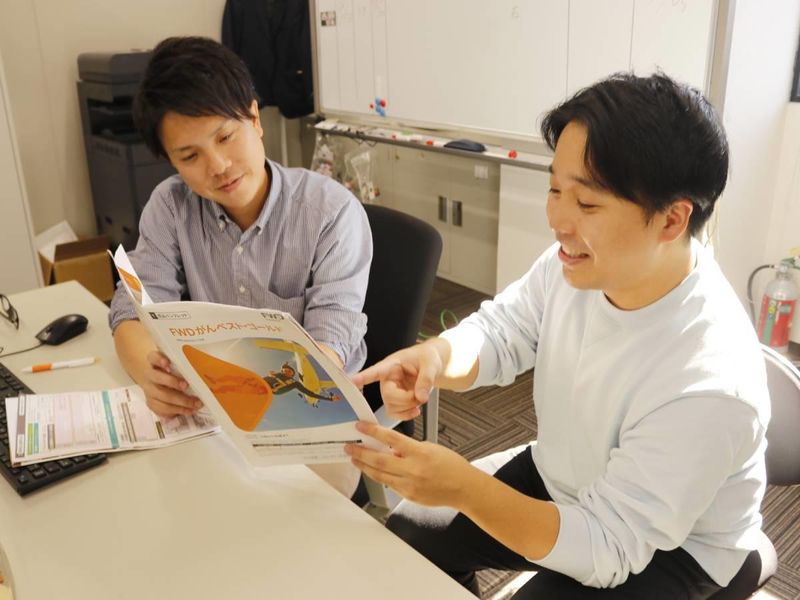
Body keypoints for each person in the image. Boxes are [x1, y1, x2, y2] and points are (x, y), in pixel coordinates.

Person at [346, 73, 770, 598]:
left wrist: (465, 488)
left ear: (671, 220)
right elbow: (505, 329)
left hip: (672, 544)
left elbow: (608, 546)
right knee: (411, 535)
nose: (558, 220)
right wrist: (437, 356)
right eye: (554, 189)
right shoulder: (578, 265)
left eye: (587, 204)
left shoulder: (711, 381)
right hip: (568, 473)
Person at [109, 36, 371, 496]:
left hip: (309, 412)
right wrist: (149, 371)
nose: (218, 166)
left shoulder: (331, 212)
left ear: (254, 118)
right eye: (190, 156)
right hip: (210, 412)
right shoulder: (170, 206)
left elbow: (329, 348)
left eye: (226, 137)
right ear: (171, 162)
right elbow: (133, 308)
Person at [264, 362, 341, 406]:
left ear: (292, 375)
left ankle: (271, 386)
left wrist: (330, 399)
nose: (286, 372)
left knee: (295, 384)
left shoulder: (295, 382)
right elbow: (280, 371)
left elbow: (310, 394)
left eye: (289, 371)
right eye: (284, 370)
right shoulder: (277, 374)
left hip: (276, 390)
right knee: (272, 375)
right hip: (266, 384)